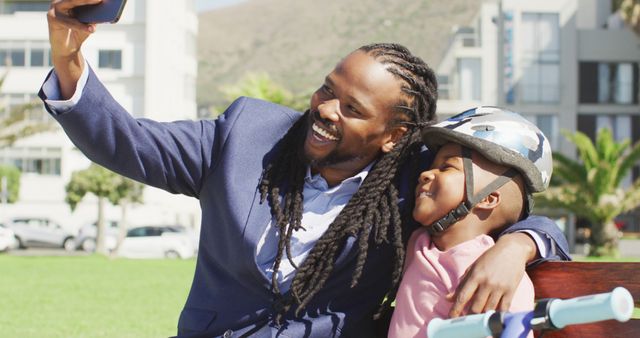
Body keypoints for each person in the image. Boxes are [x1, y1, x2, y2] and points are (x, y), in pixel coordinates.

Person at [40, 1, 570, 337]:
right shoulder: (245, 135)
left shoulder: (412, 183)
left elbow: (513, 206)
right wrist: (68, 58)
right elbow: (126, 143)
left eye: (352, 108)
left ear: (395, 137)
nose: (324, 109)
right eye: (327, 90)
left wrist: (518, 246)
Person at [389, 107, 553, 338]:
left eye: (447, 167)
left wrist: (518, 247)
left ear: (487, 198)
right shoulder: (418, 242)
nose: (425, 175)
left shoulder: (490, 271)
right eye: (431, 167)